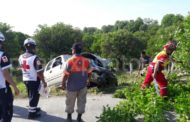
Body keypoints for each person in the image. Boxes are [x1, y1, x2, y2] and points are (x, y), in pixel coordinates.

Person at [62, 42, 92, 122]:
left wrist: (63, 84)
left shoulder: (69, 61)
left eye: (72, 49)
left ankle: (69, 118)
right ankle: (79, 118)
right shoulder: (86, 61)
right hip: (83, 86)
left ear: (74, 50)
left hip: (71, 86)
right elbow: (89, 72)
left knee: (70, 102)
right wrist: (88, 80)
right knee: (82, 102)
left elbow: (65, 74)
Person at [18, 38, 47, 119]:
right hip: (34, 80)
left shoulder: (20, 57)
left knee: (31, 95)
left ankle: (33, 108)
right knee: (34, 96)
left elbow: (22, 67)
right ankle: (32, 114)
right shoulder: (35, 58)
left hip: (25, 79)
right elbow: (39, 72)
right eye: (35, 47)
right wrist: (44, 82)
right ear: (33, 47)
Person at [0, 32, 19, 122]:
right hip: (3, 89)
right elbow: (6, 74)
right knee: (6, 114)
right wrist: (15, 87)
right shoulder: (3, 55)